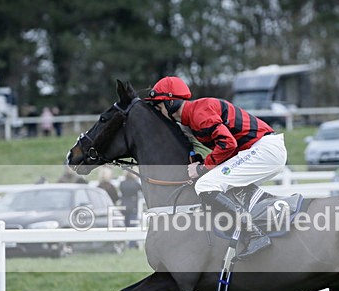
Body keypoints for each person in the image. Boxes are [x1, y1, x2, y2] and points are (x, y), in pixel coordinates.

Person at [144, 76, 287, 258]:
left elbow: (228, 144)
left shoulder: (199, 112)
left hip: (264, 151)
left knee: (206, 185)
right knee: (217, 183)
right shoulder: (192, 117)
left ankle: (255, 234)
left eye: (159, 104)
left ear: (171, 103)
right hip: (261, 150)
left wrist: (203, 168)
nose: (157, 109)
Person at [119, 171, 142, 248]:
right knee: (132, 226)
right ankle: (131, 245)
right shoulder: (136, 184)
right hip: (133, 207)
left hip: (124, 207)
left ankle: (125, 243)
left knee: (125, 226)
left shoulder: (122, 183)